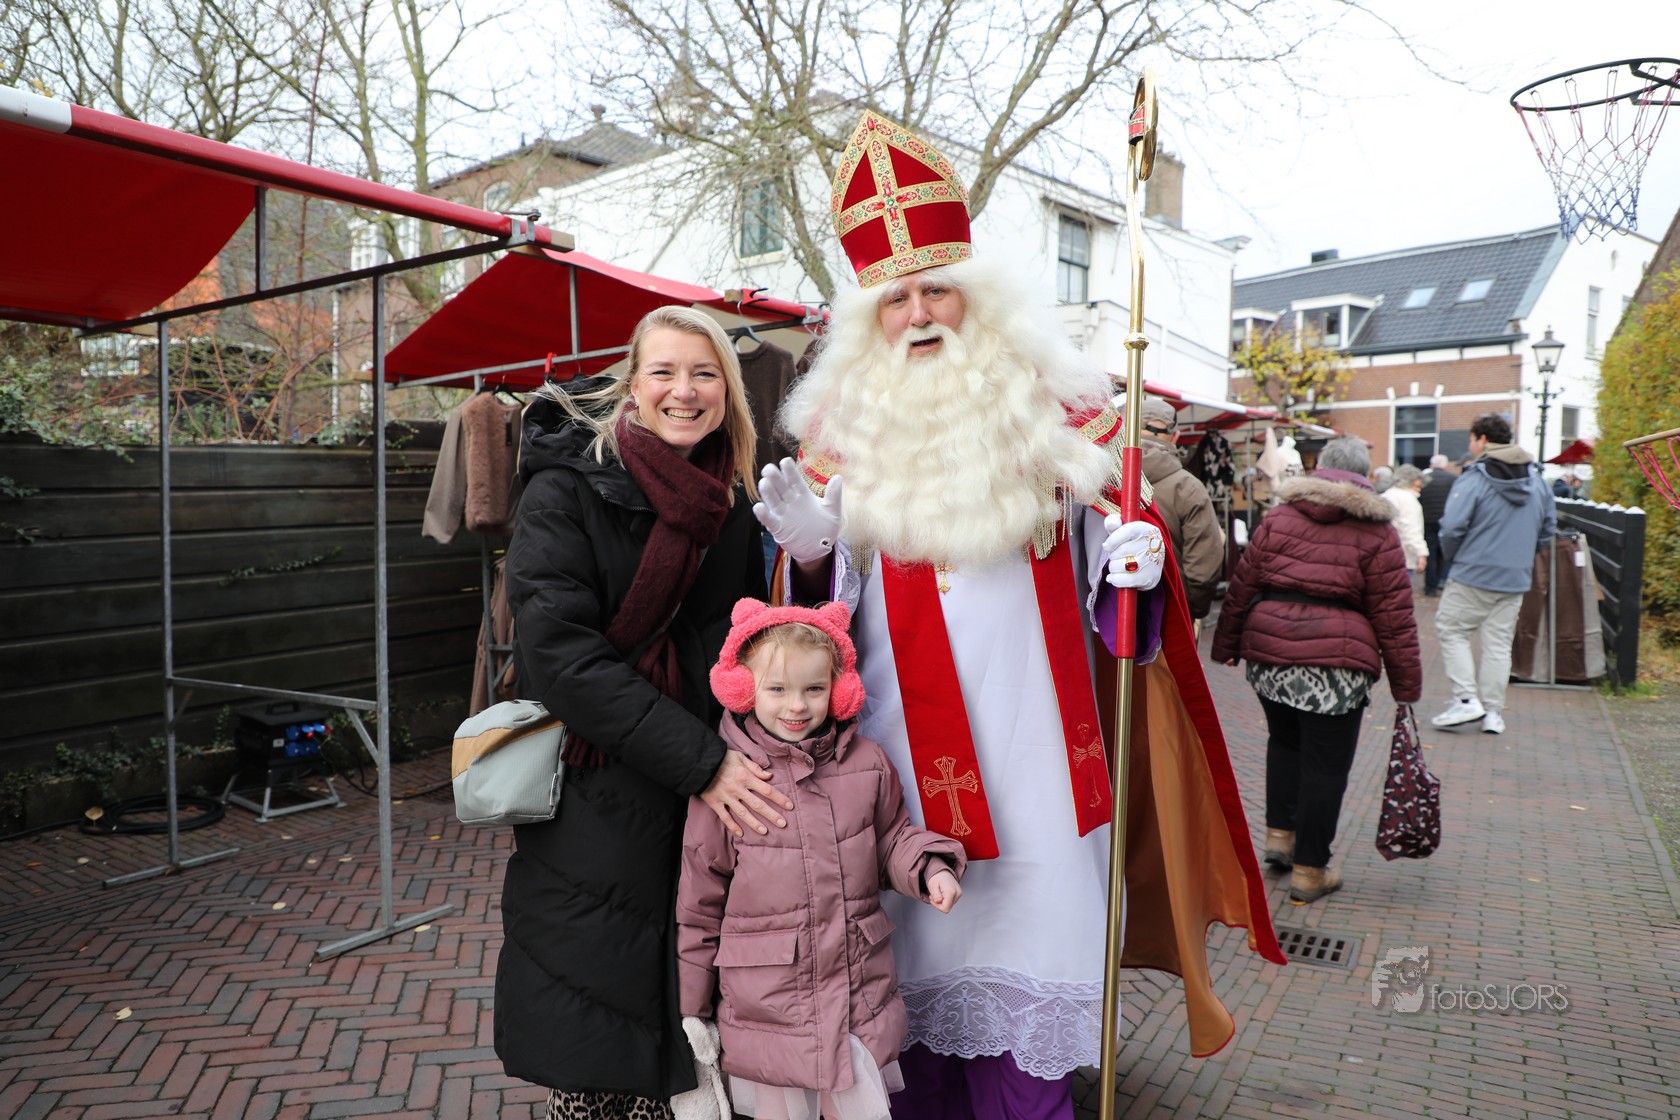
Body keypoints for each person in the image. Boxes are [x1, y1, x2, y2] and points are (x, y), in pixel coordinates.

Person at [753, 110, 1282, 1119]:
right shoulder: (837, 443)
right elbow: (798, 652)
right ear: (868, 323)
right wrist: (812, 558)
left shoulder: (1062, 417)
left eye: (937, 288)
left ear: (980, 297)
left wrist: (1136, 561)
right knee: (903, 1020)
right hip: (895, 776)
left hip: (1042, 770)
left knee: (1030, 1027)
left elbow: (1125, 575)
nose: (919, 314)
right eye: (895, 298)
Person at [496, 306, 798, 1120]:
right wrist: (704, 763)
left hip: (699, 785)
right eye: (664, 371)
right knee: (599, 1007)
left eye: (704, 374)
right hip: (601, 783)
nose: (684, 391)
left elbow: (740, 640)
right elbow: (560, 657)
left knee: (686, 1002)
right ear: (632, 384)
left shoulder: (728, 499)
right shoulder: (566, 486)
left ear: (728, 391)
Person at [677, 600, 967, 1120]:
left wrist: (930, 868)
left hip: (854, 994)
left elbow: (891, 838)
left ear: (838, 689)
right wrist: (692, 1009)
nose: (797, 705)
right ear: (744, 689)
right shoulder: (731, 783)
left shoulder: (868, 764)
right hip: (771, 1007)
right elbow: (699, 904)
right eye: (777, 689)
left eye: (814, 688)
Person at [1210, 437, 1423, 902]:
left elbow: (1244, 583)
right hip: (1337, 664)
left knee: (1284, 743)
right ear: (1364, 474)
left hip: (1270, 653)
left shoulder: (1281, 516)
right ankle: (1310, 870)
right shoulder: (1377, 530)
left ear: (1320, 468)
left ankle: (1280, 838)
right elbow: (1394, 615)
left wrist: (1226, 644)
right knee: (1326, 766)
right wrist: (1406, 684)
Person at [1432, 413, 1557, 736]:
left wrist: (1455, 558)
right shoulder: (1537, 481)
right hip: (1514, 577)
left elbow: (1452, 527)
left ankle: (1465, 699)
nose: (1471, 446)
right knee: (1498, 644)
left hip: (1473, 573)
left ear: (1483, 440)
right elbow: (1548, 529)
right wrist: (1523, 556)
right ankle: (1493, 713)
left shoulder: (1475, 478)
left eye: (1472, 440)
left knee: (1452, 630)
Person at [1140, 398, 1225, 629]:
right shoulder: (1188, 487)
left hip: (1108, 615)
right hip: (1171, 613)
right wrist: (1192, 609)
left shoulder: (1101, 478)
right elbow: (1204, 566)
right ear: (1175, 436)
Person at [1418, 454, 1457, 597]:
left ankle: (1430, 587)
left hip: (1428, 521)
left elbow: (1419, 499)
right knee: (1444, 553)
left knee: (1430, 553)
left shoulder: (1424, 479)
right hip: (1446, 521)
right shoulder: (1453, 479)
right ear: (1445, 465)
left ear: (1431, 465)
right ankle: (1442, 580)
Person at [1382, 464, 1429, 576]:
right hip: (1403, 556)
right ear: (1410, 482)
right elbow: (1410, 529)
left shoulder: (1386, 495)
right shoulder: (1408, 500)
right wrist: (1421, 553)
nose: (1419, 489)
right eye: (1417, 485)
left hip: (1384, 555)